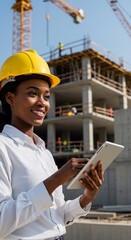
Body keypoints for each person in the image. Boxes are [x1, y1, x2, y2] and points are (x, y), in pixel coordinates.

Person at [0, 49, 104, 240]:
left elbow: (57, 217)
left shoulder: (43, 152)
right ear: (10, 98)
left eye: (46, 96)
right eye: (33, 93)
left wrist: (87, 198)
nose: (42, 103)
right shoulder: (2, 148)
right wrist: (56, 179)